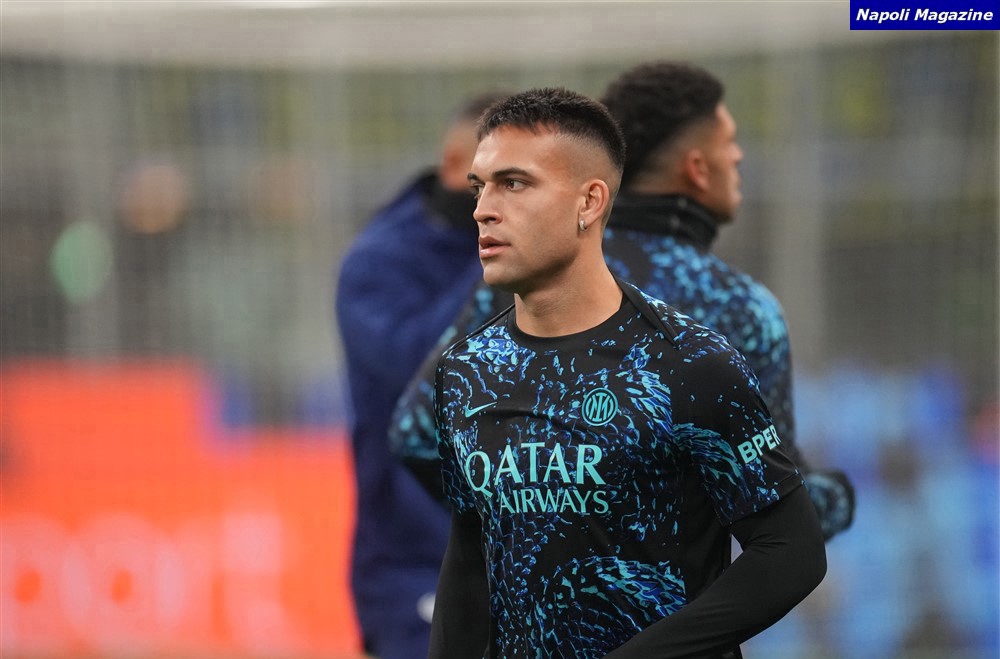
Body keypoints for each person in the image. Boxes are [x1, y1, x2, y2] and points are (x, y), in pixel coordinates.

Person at [429, 87, 826, 658]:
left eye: (513, 184)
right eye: (479, 186)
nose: (483, 209)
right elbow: (469, 556)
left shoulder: (690, 363)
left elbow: (791, 551)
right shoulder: (466, 370)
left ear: (590, 202)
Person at [391, 62, 854, 542]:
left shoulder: (533, 265)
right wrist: (839, 498)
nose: (738, 156)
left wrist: (523, 524)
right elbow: (781, 509)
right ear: (696, 169)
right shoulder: (738, 308)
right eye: (729, 142)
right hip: (674, 590)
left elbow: (417, 434)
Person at [334, 91, 506, 659]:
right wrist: (499, 267)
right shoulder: (376, 262)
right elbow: (421, 369)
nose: (514, 202)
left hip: (522, 553)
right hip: (415, 561)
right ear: (457, 166)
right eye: (503, 180)